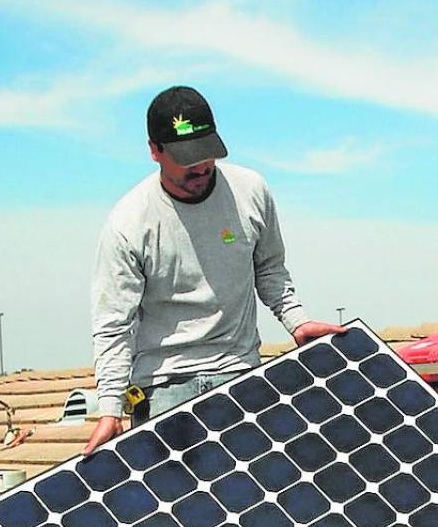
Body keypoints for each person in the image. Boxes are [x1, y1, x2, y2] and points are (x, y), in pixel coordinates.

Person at [83, 85, 344, 454]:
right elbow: (113, 323)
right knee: (176, 507)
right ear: (154, 150)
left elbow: (269, 268)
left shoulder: (251, 191)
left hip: (240, 375)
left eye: (206, 153)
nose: (200, 166)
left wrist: (297, 321)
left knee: (251, 503)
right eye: (186, 157)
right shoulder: (129, 223)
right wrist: (110, 407)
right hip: (164, 390)